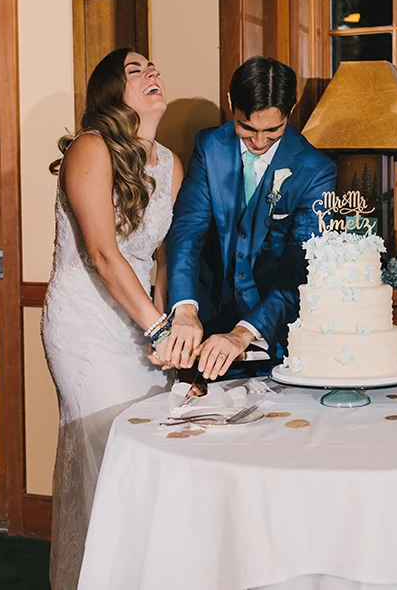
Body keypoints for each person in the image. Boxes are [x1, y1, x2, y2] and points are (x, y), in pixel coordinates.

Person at [41, 48, 184, 590]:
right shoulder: (89, 149)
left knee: (150, 457)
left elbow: (162, 256)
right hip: (86, 328)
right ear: (110, 91)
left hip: (142, 322)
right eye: (135, 69)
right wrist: (158, 327)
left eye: (154, 65)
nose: (153, 72)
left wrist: (168, 321)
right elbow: (102, 253)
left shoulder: (170, 163)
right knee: (108, 459)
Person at [164, 56, 337, 380]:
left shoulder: (316, 170)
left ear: (291, 109)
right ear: (231, 103)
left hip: (276, 338)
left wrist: (245, 332)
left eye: (273, 130)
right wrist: (186, 308)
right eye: (247, 128)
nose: (259, 142)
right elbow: (187, 229)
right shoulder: (209, 146)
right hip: (207, 327)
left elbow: (300, 266)